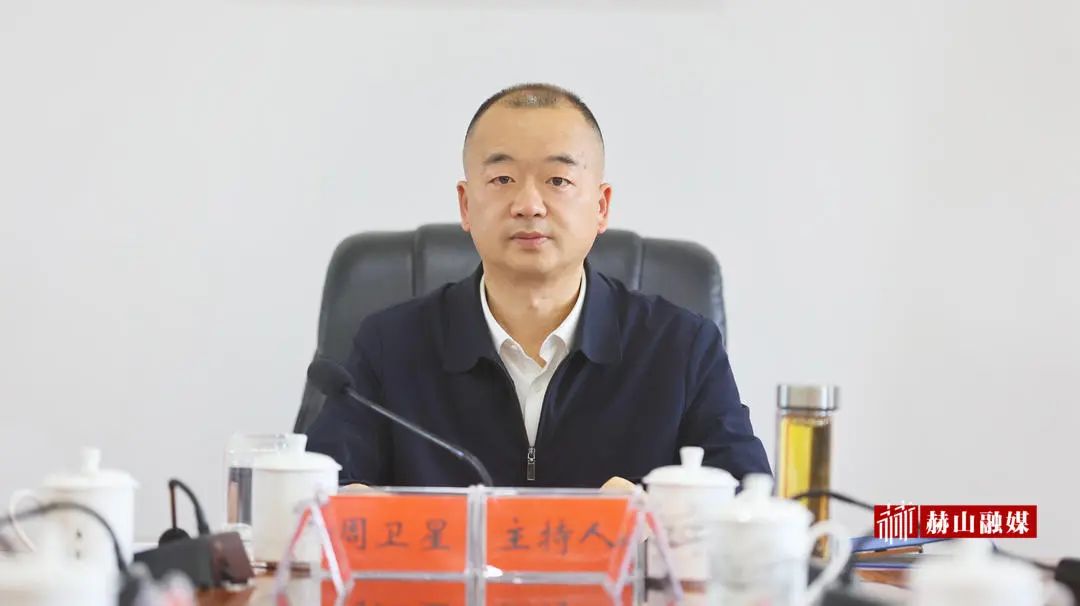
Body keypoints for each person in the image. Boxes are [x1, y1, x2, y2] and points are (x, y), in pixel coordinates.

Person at [306, 83, 771, 488]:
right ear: (466, 205)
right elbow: (318, 497)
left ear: (601, 206)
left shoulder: (681, 347)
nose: (529, 204)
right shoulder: (389, 346)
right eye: (502, 179)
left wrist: (655, 516)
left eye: (558, 180)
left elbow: (747, 503)